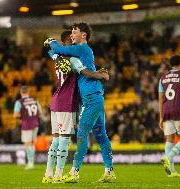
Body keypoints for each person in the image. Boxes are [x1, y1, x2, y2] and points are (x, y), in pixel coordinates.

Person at [44, 22, 116, 183]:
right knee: (100, 135)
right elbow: (59, 56)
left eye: (74, 32)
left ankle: (74, 172)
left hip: (91, 98)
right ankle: (109, 171)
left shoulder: (81, 48)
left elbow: (60, 49)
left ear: (83, 35)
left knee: (82, 134)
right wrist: (99, 74)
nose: (72, 35)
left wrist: (51, 41)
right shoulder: (83, 52)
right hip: (94, 96)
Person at [13, 86, 42, 170]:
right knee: (32, 144)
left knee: (27, 144)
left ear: (21, 92)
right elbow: (40, 113)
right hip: (35, 124)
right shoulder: (35, 100)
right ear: (28, 92)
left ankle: (30, 163)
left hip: (26, 125)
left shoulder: (19, 102)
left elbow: (15, 115)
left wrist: (21, 115)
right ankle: (31, 162)